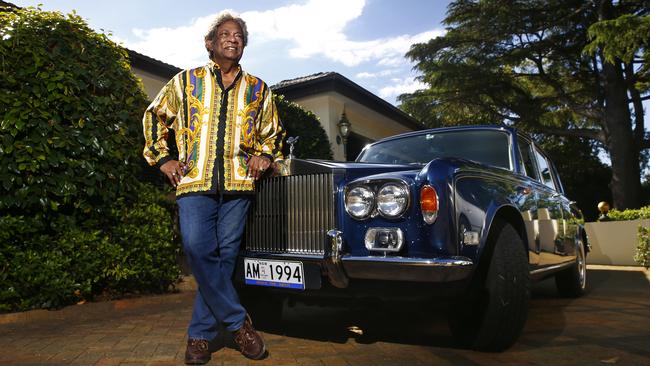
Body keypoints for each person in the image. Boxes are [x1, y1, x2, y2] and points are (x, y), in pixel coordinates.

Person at [142, 11, 285, 365]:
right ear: (209, 43)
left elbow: (273, 133)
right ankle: (239, 324)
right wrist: (164, 160)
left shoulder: (258, 89)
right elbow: (153, 117)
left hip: (239, 184)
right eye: (225, 33)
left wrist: (264, 156)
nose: (233, 39)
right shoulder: (184, 82)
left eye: (239, 35)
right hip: (193, 182)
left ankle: (199, 337)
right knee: (196, 248)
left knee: (224, 260)